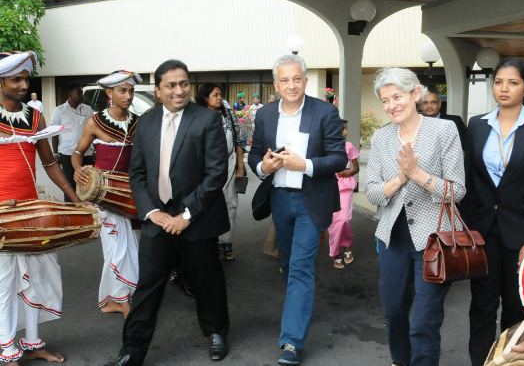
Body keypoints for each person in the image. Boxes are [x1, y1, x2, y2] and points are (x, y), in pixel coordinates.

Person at [103, 60, 230, 366]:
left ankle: (217, 332)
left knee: (206, 280)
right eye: (171, 85)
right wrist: (150, 212)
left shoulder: (206, 120)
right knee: (147, 287)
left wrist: (185, 216)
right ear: (158, 91)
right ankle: (131, 352)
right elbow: (137, 174)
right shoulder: (145, 122)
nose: (179, 90)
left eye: (184, 83)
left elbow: (215, 174)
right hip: (157, 220)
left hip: (196, 218)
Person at [248, 54, 347, 365]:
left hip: (311, 200)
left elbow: (339, 159)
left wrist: (304, 165)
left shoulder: (325, 112)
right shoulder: (264, 115)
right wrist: (263, 166)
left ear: (305, 81)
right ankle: (300, 308)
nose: (291, 85)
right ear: (276, 84)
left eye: (297, 79)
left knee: (302, 268)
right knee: (290, 266)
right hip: (280, 200)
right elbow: (254, 155)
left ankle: (292, 342)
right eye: (284, 80)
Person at [460, 58, 524, 366]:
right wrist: (465, 226)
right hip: (483, 231)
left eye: (513, 83)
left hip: (521, 235)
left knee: (515, 308)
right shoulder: (477, 124)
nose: (504, 88)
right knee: (482, 304)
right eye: (499, 82)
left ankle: (509, 361)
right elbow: (469, 178)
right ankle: (480, 361)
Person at [365, 67, 465, 366]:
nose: (391, 105)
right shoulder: (381, 137)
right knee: (394, 312)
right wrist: (398, 179)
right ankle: (400, 361)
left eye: (397, 96)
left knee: (424, 321)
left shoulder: (444, 130)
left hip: (434, 241)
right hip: (392, 239)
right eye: (385, 100)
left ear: (416, 94)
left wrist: (418, 175)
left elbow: (457, 191)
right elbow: (371, 193)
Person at [0, 51, 81, 365]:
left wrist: (75, 199)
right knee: (5, 282)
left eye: (25, 78)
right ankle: (7, 350)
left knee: (38, 276)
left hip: (32, 210)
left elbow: (49, 162)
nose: (23, 84)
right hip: (3, 214)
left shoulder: (36, 116)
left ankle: (33, 342)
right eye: (15, 79)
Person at [72, 71, 142, 319]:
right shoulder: (94, 121)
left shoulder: (138, 121)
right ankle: (123, 301)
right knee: (115, 248)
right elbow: (77, 152)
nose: (128, 96)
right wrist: (79, 170)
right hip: (104, 195)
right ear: (109, 94)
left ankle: (111, 300)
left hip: (130, 193)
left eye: (131, 91)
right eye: (123, 91)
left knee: (128, 246)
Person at [195, 83, 246, 260]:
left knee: (230, 204)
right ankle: (208, 244)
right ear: (205, 98)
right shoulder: (197, 116)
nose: (219, 98)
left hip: (230, 165)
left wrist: (240, 167)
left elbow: (240, 142)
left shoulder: (229, 115)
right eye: (215, 95)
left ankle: (226, 244)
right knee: (207, 206)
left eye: (220, 95)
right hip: (206, 169)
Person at [51, 82, 94, 201]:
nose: (82, 94)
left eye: (81, 92)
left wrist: (95, 151)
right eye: (79, 92)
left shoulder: (88, 109)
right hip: (67, 153)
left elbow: (93, 132)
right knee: (70, 184)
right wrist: (55, 153)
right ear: (70, 95)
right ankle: (71, 210)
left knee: (87, 184)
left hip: (86, 154)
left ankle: (86, 211)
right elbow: (54, 134)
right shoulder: (59, 110)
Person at [328, 120, 359, 268]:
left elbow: (356, 168)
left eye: (346, 129)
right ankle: (336, 253)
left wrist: (348, 173)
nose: (345, 133)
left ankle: (347, 246)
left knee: (344, 220)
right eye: (342, 130)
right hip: (331, 186)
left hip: (346, 186)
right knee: (335, 223)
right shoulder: (327, 147)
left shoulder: (349, 146)